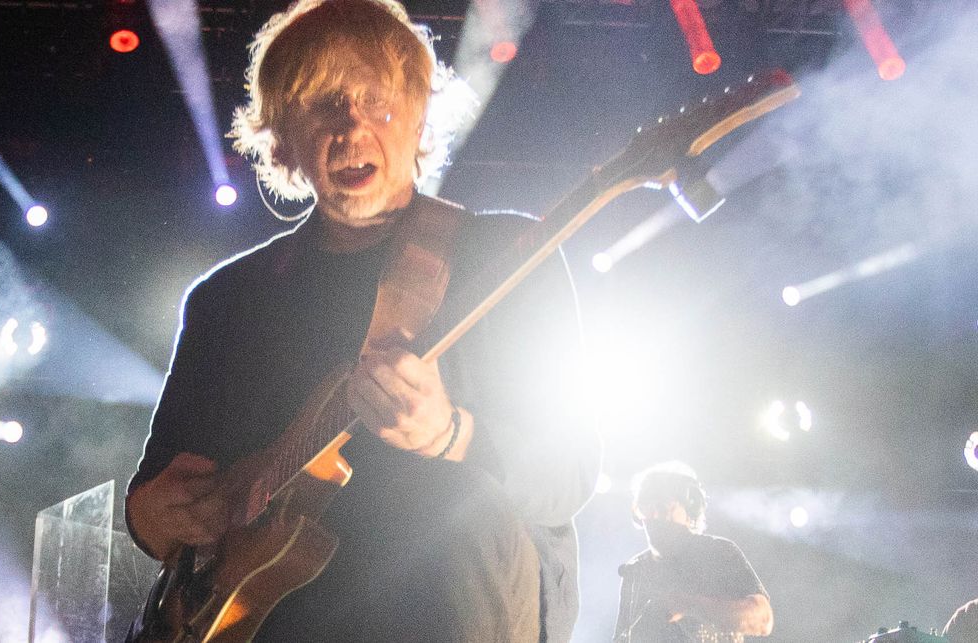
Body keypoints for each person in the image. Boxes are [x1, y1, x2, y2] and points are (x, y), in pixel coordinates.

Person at [126, 0, 601, 640]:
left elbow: (566, 476)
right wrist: (151, 515)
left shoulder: (507, 256)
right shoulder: (228, 298)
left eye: (377, 102)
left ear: (419, 118)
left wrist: (450, 433)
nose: (351, 127)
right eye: (322, 105)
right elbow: (158, 487)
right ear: (283, 140)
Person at [613, 462, 773, 642]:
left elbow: (762, 619)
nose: (656, 516)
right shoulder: (635, 569)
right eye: (648, 507)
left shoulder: (718, 551)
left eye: (665, 507)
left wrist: (690, 604)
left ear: (690, 509)